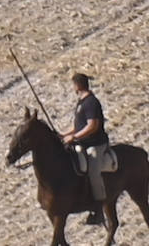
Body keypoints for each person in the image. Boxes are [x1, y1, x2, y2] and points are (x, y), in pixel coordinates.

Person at [61, 72, 110, 226]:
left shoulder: (91, 102)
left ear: (77, 85)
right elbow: (77, 126)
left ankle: (98, 209)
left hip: (95, 144)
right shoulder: (81, 102)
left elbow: (92, 126)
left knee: (93, 171)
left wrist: (74, 137)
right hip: (82, 143)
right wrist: (63, 134)